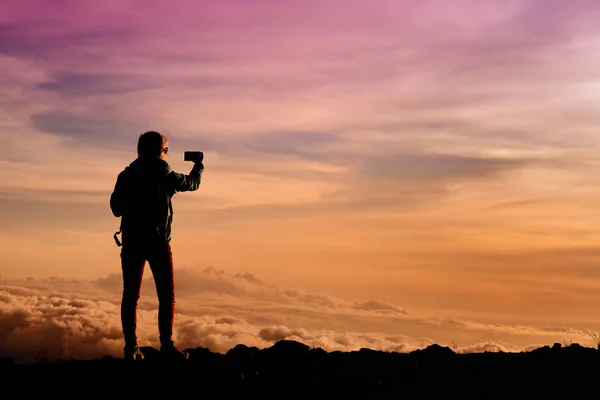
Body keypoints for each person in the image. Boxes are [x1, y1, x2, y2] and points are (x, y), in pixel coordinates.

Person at [109, 131, 204, 361]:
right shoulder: (164, 172)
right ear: (158, 151)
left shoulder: (127, 174)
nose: (166, 154)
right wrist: (199, 165)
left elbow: (115, 208)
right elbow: (192, 184)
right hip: (159, 243)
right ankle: (167, 347)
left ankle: (131, 349)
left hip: (132, 242)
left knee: (130, 296)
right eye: (165, 150)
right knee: (166, 296)